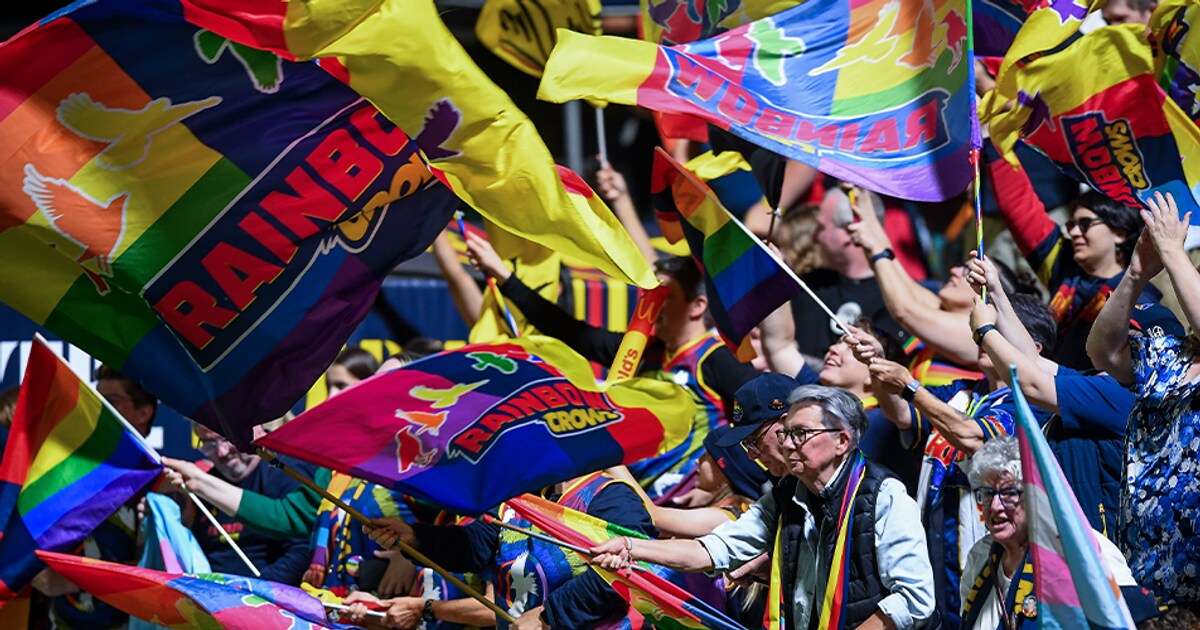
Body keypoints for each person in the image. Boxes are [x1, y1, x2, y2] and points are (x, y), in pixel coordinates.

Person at [591, 385, 937, 630]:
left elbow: (914, 599)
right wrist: (632, 547)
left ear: (841, 441)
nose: (788, 445)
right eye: (786, 434)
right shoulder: (785, 496)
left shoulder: (884, 496)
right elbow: (712, 550)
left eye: (801, 434)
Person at [468, 234, 758, 498]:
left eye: (665, 297)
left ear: (697, 306)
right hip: (643, 502)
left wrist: (724, 489)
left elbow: (764, 414)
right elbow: (568, 330)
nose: (652, 305)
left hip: (690, 506)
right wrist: (505, 277)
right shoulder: (642, 350)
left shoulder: (716, 358)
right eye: (650, 295)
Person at [859, 294, 1056, 627]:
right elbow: (903, 412)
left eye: (994, 330)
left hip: (991, 540)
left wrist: (909, 386)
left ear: (1032, 348)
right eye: (982, 329)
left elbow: (971, 436)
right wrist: (878, 364)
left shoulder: (1032, 404)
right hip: (938, 538)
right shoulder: (962, 392)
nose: (982, 336)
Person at [967, 254, 1135, 538]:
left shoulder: (1117, 396)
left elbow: (1030, 384)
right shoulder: (1098, 383)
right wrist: (996, 291)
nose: (1108, 338)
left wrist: (984, 332)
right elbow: (1032, 360)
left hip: (1095, 547)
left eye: (1124, 340)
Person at [362, 471, 661, 629]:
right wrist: (415, 537)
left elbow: (627, 573)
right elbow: (474, 546)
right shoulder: (521, 498)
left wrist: (547, 617)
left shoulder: (610, 495)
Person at [1087, 192, 1200, 607]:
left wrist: (1172, 250)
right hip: (1148, 582)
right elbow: (1101, 351)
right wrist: (1135, 274)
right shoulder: (1170, 356)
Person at [986, 146, 1182, 369]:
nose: (1074, 232)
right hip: (1041, 381)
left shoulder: (1136, 296)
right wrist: (996, 147)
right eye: (1072, 224)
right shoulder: (1063, 262)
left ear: (1119, 233)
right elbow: (1019, 207)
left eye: (1085, 224)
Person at [959, 437, 1159, 628]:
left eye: (1009, 494)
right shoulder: (980, 555)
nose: (995, 506)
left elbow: (1132, 620)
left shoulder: (1083, 547)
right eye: (987, 493)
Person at [32, 367, 158, 629]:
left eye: (111, 401)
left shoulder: (165, 482)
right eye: (96, 400)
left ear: (144, 413)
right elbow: (34, 562)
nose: (99, 409)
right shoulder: (68, 477)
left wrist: (75, 580)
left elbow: (165, 574)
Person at [164, 424, 310, 583]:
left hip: (265, 590)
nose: (222, 452)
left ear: (256, 429)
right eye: (209, 444)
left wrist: (252, 589)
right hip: (212, 589)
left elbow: (301, 551)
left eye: (227, 439)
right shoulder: (202, 483)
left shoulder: (287, 472)